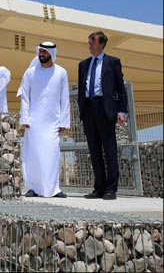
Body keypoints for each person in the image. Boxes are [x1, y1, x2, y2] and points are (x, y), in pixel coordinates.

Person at [78, 31, 127, 201]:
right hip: (89, 109)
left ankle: (111, 189)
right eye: (89, 42)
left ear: (102, 44)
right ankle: (99, 188)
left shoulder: (112, 62)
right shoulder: (83, 64)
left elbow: (121, 89)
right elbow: (81, 88)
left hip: (105, 109)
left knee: (109, 149)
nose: (90, 45)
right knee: (94, 150)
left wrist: (122, 111)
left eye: (93, 42)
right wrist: (82, 111)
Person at [17, 41, 70, 198]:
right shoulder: (30, 73)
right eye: (40, 51)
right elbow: (25, 97)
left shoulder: (61, 72)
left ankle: (54, 188)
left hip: (53, 121)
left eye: (45, 52)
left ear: (52, 54)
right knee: (34, 155)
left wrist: (64, 121)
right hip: (33, 122)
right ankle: (33, 187)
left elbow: (64, 97)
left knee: (52, 154)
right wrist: (25, 118)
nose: (42, 54)